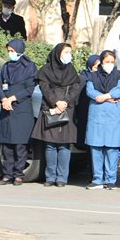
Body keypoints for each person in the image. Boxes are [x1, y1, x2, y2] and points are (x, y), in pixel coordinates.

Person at [33, 43, 82, 187]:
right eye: (66, 52)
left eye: (69, 52)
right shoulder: (45, 70)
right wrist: (55, 102)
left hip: (67, 109)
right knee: (50, 146)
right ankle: (50, 177)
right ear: (58, 54)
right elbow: (44, 88)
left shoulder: (71, 70)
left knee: (64, 146)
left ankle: (62, 178)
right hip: (51, 108)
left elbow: (75, 88)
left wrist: (65, 102)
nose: (69, 55)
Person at [0, 39, 38, 186]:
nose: (10, 53)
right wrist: (4, 100)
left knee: (20, 145)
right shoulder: (6, 66)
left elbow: (29, 89)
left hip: (21, 109)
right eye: (9, 51)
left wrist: (12, 98)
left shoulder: (29, 67)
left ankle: (18, 175)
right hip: (6, 109)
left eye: (12, 51)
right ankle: (7, 174)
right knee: (6, 145)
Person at [85, 50, 120, 189]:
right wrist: (105, 98)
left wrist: (105, 96)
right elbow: (90, 90)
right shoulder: (93, 75)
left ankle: (110, 180)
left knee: (111, 149)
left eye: (112, 62)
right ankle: (97, 179)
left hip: (113, 116)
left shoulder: (118, 75)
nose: (109, 64)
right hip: (97, 114)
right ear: (101, 62)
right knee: (96, 148)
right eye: (106, 61)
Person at [76, 55, 100, 150]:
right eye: (96, 66)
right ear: (90, 66)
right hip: (84, 113)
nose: (98, 69)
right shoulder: (83, 78)